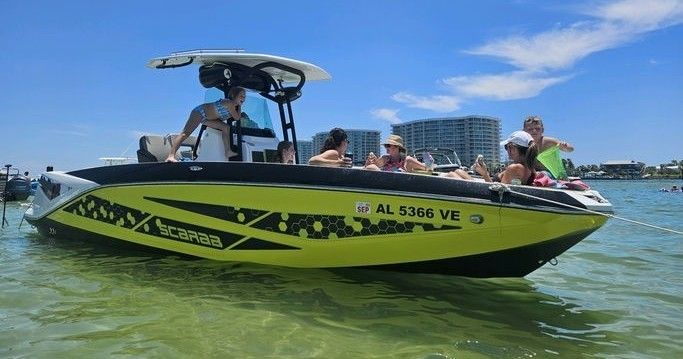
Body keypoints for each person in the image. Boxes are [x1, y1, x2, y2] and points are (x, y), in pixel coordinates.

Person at [165, 87, 247, 162]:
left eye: (244, 97)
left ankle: (228, 151)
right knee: (185, 134)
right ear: (233, 95)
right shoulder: (229, 103)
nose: (243, 98)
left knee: (226, 127)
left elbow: (237, 117)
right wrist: (239, 107)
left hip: (208, 119)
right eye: (241, 96)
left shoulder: (235, 106)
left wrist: (239, 107)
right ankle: (171, 156)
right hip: (200, 112)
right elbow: (237, 117)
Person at [445, 131, 538, 185]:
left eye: (507, 147)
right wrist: (485, 173)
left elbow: (497, 193)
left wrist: (485, 174)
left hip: (486, 198)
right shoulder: (528, 167)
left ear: (513, 148)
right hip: (489, 191)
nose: (507, 150)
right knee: (458, 172)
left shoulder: (515, 168)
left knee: (451, 175)